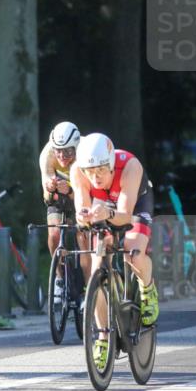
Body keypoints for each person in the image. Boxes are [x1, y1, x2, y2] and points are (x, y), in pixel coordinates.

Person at [72, 132, 158, 369]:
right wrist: (84, 215)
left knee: (133, 252)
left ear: (110, 164)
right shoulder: (77, 171)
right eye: (90, 171)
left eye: (100, 170)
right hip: (103, 206)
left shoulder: (130, 166)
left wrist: (107, 214)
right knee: (97, 265)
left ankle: (147, 287)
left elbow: (123, 214)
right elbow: (82, 203)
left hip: (132, 205)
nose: (95, 176)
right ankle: (102, 336)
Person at [38, 121, 91, 294]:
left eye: (68, 151)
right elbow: (47, 199)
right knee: (53, 235)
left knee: (83, 238)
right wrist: (50, 188)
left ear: (77, 147)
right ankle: (59, 279)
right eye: (58, 150)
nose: (62, 156)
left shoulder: (86, 153)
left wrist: (69, 190)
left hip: (83, 195)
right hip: (60, 198)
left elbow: (90, 193)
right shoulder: (47, 155)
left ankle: (90, 286)